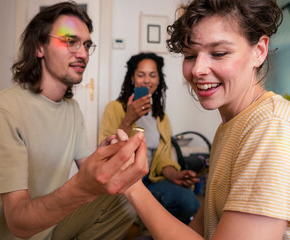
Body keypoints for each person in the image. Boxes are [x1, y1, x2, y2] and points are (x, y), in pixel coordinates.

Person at [0, 2, 148, 240]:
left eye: (87, 44)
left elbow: (88, 170)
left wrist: (106, 157)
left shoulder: (72, 109)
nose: (83, 53)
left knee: (123, 202)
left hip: (46, 228)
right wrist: (81, 186)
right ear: (39, 48)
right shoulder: (2, 109)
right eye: (70, 41)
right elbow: (18, 222)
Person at [123, 0, 290, 239]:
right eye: (190, 55)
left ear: (259, 51)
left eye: (219, 53)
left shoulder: (270, 127)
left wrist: (131, 187)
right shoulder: (230, 125)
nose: (197, 69)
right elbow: (205, 223)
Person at [99, 52, 200, 224]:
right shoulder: (114, 108)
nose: (147, 80)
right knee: (128, 208)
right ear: (132, 78)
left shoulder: (161, 118)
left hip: (152, 178)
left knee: (189, 201)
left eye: (152, 75)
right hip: (125, 178)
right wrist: (128, 119)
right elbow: (106, 154)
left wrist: (175, 175)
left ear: (159, 80)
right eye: (141, 75)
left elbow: (163, 160)